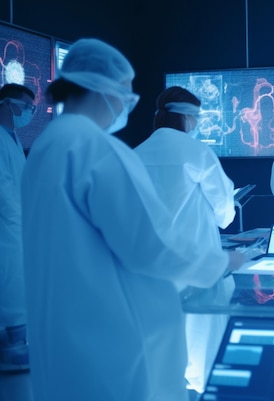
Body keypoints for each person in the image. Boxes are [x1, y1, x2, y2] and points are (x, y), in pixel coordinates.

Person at [20, 39, 246, 401]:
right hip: (112, 346)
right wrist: (222, 262)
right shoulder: (97, 150)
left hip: (62, 339)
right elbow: (150, 247)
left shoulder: (47, 147)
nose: (127, 103)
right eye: (125, 92)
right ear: (102, 88)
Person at [134, 86, 237, 393]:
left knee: (160, 351)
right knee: (201, 348)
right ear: (187, 118)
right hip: (195, 265)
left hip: (150, 267)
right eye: (197, 117)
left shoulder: (136, 153)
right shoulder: (197, 152)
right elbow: (224, 213)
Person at [0, 83, 35, 372]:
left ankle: (14, 341)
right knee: (12, 280)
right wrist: (19, 220)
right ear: (7, 103)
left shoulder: (11, 136)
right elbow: (3, 187)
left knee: (15, 280)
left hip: (16, 225)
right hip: (8, 227)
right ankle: (13, 344)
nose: (29, 113)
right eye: (26, 106)